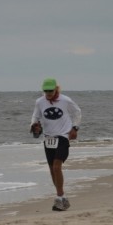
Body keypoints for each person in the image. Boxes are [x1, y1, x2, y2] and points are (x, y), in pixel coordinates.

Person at [30, 78, 82, 211]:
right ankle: (62, 197)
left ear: (56, 88)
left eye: (50, 90)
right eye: (45, 90)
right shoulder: (40, 102)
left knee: (57, 166)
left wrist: (75, 128)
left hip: (63, 136)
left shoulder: (65, 100)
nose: (48, 93)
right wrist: (34, 125)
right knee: (52, 169)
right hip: (48, 138)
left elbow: (77, 112)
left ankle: (59, 198)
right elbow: (35, 117)